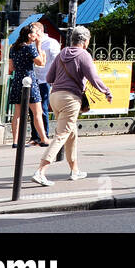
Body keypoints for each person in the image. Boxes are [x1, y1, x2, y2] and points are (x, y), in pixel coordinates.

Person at [32, 26, 112, 186]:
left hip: (55, 96)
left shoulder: (62, 53)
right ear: (85, 41)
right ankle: (41, 171)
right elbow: (93, 78)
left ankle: (75, 170)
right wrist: (106, 91)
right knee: (62, 134)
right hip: (70, 98)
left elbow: (49, 77)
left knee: (71, 133)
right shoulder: (84, 55)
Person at [8, 25, 49, 147]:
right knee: (37, 112)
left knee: (18, 113)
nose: (37, 35)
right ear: (29, 35)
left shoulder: (13, 48)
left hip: (17, 80)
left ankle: (15, 141)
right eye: (35, 33)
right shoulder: (30, 47)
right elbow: (41, 63)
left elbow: (11, 68)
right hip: (29, 80)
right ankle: (43, 138)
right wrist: (39, 46)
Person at [32, 22, 60, 139]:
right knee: (33, 109)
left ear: (39, 31)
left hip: (45, 79)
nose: (31, 33)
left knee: (42, 108)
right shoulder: (32, 44)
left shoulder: (51, 43)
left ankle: (44, 135)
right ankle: (35, 136)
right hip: (34, 79)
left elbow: (56, 60)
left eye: (32, 30)